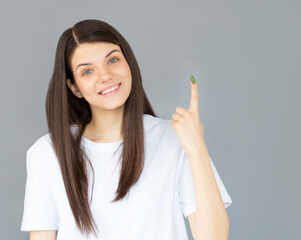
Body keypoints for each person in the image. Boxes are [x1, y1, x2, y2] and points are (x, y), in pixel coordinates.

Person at [20, 19, 232, 240]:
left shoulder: (174, 139)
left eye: (113, 60)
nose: (105, 76)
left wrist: (197, 149)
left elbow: (214, 237)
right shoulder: (47, 153)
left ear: (129, 63)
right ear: (75, 88)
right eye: (87, 72)